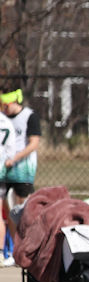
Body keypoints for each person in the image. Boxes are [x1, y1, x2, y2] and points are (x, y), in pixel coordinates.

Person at [0, 85, 42, 265]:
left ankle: (28, 250)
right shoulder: (3, 119)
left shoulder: (29, 116)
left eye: (5, 104)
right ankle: (12, 251)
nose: (4, 108)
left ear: (13, 101)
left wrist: (16, 158)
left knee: (23, 211)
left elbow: (34, 143)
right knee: (8, 212)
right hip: (4, 169)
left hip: (22, 170)